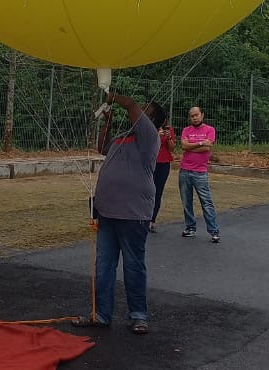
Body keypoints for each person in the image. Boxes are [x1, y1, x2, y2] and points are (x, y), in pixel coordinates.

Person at [79, 91, 166, 334]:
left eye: (146, 109)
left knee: (133, 264)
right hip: (107, 211)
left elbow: (130, 104)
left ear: (152, 120)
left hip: (133, 213)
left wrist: (111, 95)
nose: (140, 110)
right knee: (104, 265)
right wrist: (107, 118)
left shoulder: (149, 137)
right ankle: (101, 314)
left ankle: (138, 315)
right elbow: (102, 147)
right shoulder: (123, 136)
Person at [179, 105, 220, 242]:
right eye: (192, 115)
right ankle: (190, 227)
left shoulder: (210, 130)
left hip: (200, 172)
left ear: (202, 115)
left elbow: (207, 148)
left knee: (206, 202)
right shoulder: (186, 130)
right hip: (185, 170)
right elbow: (184, 146)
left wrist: (192, 146)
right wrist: (201, 143)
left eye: (197, 115)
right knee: (186, 201)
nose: (195, 117)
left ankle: (213, 230)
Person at [149, 117, 176, 232]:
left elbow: (172, 148)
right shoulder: (150, 129)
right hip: (151, 162)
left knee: (158, 192)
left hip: (164, 163)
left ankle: (152, 220)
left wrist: (169, 137)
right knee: (147, 191)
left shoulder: (169, 130)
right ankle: (142, 218)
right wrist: (156, 135)